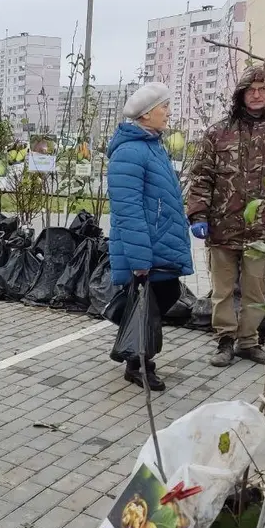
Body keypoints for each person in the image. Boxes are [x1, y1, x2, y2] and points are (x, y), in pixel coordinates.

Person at [187, 65, 265, 367]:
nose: (257, 95)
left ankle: (248, 341)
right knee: (222, 291)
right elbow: (201, 177)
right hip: (223, 227)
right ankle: (224, 341)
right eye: (251, 90)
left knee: (255, 289)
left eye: (263, 90)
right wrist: (198, 215)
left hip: (264, 230)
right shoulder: (218, 133)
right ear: (241, 95)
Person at [107, 82, 194, 392]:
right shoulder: (130, 152)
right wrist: (140, 259)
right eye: (163, 107)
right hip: (146, 246)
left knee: (159, 298)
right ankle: (138, 363)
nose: (168, 112)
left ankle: (136, 357)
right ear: (145, 115)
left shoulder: (152, 145)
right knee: (149, 302)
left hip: (159, 241)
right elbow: (127, 210)